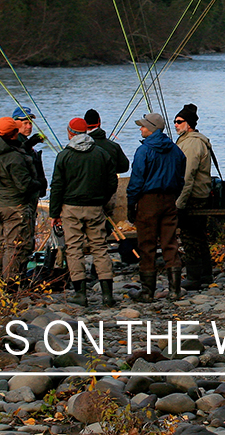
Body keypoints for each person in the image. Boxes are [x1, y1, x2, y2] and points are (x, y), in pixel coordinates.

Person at [50, 117, 119, 307]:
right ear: (86, 132)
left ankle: (80, 294)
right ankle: (107, 295)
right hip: (95, 208)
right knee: (100, 248)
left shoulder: (64, 156)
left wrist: (54, 213)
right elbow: (112, 181)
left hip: (70, 208)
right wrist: (101, 200)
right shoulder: (101, 153)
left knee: (74, 249)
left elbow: (57, 186)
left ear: (70, 132)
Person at [126, 112, 186, 302]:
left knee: (147, 244)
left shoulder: (143, 151)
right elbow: (180, 178)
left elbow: (136, 180)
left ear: (151, 128)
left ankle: (147, 292)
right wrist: (174, 195)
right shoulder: (176, 150)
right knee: (170, 243)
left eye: (143, 126)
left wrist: (131, 203)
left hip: (147, 201)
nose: (141, 128)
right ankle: (175, 290)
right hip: (169, 200)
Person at [0, 116, 40, 286]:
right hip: (14, 206)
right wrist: (39, 183)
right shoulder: (13, 158)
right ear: (14, 134)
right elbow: (25, 185)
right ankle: (11, 283)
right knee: (14, 246)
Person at [173, 103, 214, 290]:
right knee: (199, 235)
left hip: (193, 197)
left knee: (190, 237)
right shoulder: (190, 140)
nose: (176, 125)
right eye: (174, 122)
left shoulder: (191, 143)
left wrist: (179, 203)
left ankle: (193, 277)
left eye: (179, 122)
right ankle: (206, 274)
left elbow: (187, 176)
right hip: (199, 194)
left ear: (189, 124)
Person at [12, 106, 48, 265]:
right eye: (25, 123)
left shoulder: (25, 142)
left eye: (30, 123)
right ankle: (17, 273)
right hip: (21, 200)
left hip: (32, 197)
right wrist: (31, 143)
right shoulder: (13, 142)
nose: (29, 126)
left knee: (29, 234)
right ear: (15, 123)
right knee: (21, 237)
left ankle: (25, 267)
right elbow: (16, 157)